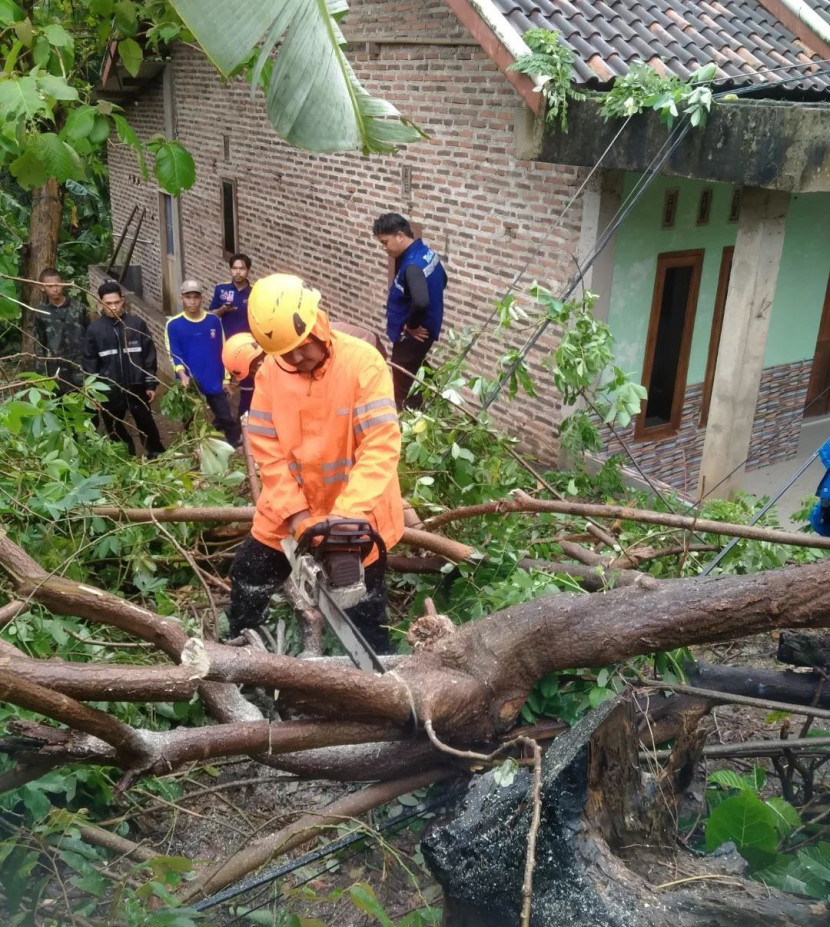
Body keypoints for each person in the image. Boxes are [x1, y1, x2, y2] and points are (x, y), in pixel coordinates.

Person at [226, 273, 404, 652]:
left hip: (358, 509)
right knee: (248, 576)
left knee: (364, 612)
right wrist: (295, 516)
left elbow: (381, 444)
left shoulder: (363, 364)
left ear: (316, 322)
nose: (294, 358)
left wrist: (346, 518)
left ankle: (381, 687)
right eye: (284, 353)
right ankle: (239, 656)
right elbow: (267, 449)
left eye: (299, 348)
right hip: (292, 506)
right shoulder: (272, 373)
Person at [372, 213, 447, 410]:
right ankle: (436, 396)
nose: (385, 248)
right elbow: (443, 279)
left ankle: (406, 417)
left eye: (385, 242)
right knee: (417, 365)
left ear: (399, 235)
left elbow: (421, 301)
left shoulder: (412, 265)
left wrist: (411, 326)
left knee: (400, 384)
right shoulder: (426, 253)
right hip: (426, 331)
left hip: (413, 337)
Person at [83, 280, 165, 458]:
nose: (113, 307)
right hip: (110, 389)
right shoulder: (94, 330)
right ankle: (125, 457)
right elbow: (90, 362)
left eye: (116, 302)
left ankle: (156, 454)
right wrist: (94, 392)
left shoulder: (137, 324)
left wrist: (150, 384)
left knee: (146, 422)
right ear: (101, 304)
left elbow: (149, 355)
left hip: (136, 386)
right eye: (108, 303)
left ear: (123, 301)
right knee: (114, 426)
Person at [165, 280, 241, 448]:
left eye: (196, 297)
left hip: (213, 379)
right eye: (188, 297)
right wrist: (182, 375)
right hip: (189, 381)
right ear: (181, 299)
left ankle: (234, 444)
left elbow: (223, 349)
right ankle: (194, 448)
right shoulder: (174, 325)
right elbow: (175, 354)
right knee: (189, 420)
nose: (192, 301)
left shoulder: (213, 321)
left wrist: (226, 379)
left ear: (202, 298)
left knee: (225, 415)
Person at [209, 253, 255, 417]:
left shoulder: (254, 292)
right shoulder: (221, 290)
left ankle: (243, 417)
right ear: (230, 270)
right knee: (222, 382)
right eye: (234, 268)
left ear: (248, 270)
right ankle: (221, 418)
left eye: (242, 268)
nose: (238, 272)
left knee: (247, 383)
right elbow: (211, 314)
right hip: (225, 344)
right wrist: (222, 310)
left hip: (247, 347)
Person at [33, 268, 90, 393]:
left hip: (79, 366)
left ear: (63, 283)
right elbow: (39, 343)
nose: (55, 289)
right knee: (58, 403)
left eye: (57, 285)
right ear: (42, 287)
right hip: (55, 367)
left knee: (82, 404)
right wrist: (42, 373)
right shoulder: (41, 312)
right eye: (50, 286)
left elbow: (90, 337)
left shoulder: (79, 308)